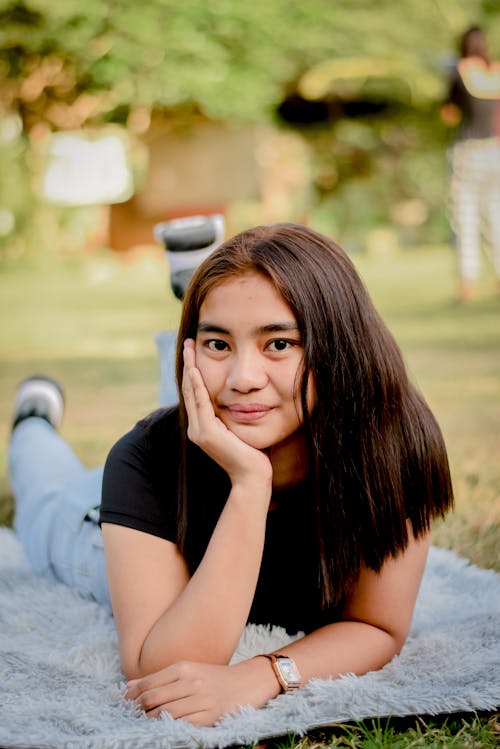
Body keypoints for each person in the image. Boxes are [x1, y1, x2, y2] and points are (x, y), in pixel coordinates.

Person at [8, 223, 454, 727]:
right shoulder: (142, 459)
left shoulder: (392, 440)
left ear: (340, 346)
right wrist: (249, 485)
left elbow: (377, 625)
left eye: (279, 344)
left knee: (239, 403)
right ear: (191, 348)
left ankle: (195, 287)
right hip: (95, 533)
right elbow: (167, 668)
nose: (244, 376)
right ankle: (33, 421)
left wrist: (262, 675)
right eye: (216, 343)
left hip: (212, 441)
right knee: (44, 493)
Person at [441, 25, 500, 302]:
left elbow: (449, 115)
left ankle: (467, 285)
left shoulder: (460, 71)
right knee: (496, 217)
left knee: (465, 218)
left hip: (468, 151)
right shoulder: (495, 72)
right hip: (495, 151)